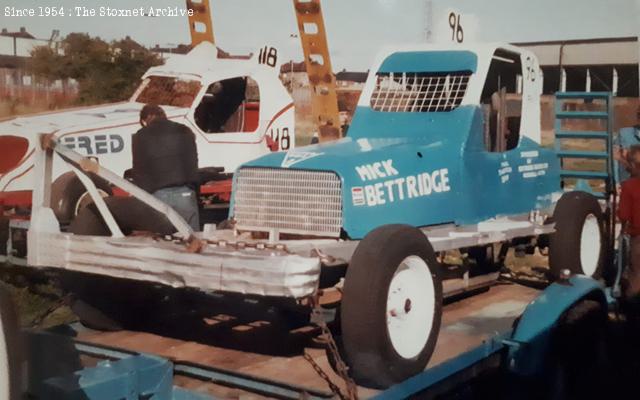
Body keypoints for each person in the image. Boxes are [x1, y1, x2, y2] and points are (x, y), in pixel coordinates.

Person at [131, 104, 200, 230]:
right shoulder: (183, 130)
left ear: (147, 117)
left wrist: (145, 196)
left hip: (158, 196)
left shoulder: (140, 136)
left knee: (163, 243)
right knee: (193, 239)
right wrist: (193, 188)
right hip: (184, 192)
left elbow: (139, 170)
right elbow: (192, 162)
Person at [618, 145, 640, 302]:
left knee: (636, 275)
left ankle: (632, 318)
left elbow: (624, 215)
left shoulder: (629, 186)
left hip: (638, 237)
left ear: (632, 165)